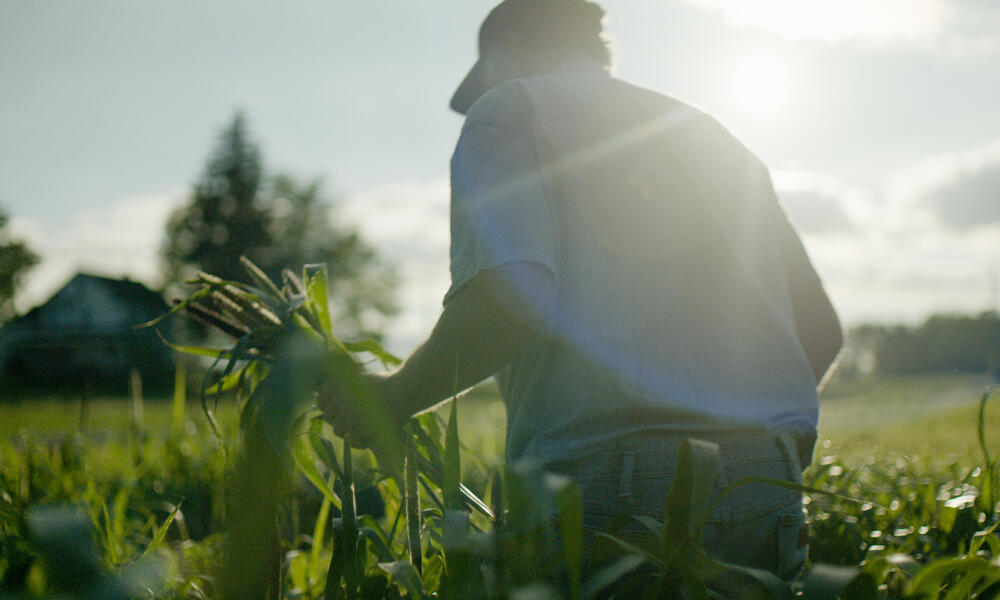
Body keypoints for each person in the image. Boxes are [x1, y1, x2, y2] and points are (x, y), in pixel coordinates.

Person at [322, 0, 842, 585]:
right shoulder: (718, 138)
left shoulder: (510, 108)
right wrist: (754, 440)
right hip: (766, 484)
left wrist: (392, 398)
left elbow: (509, 299)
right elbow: (821, 329)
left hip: (608, 486)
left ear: (505, 49)